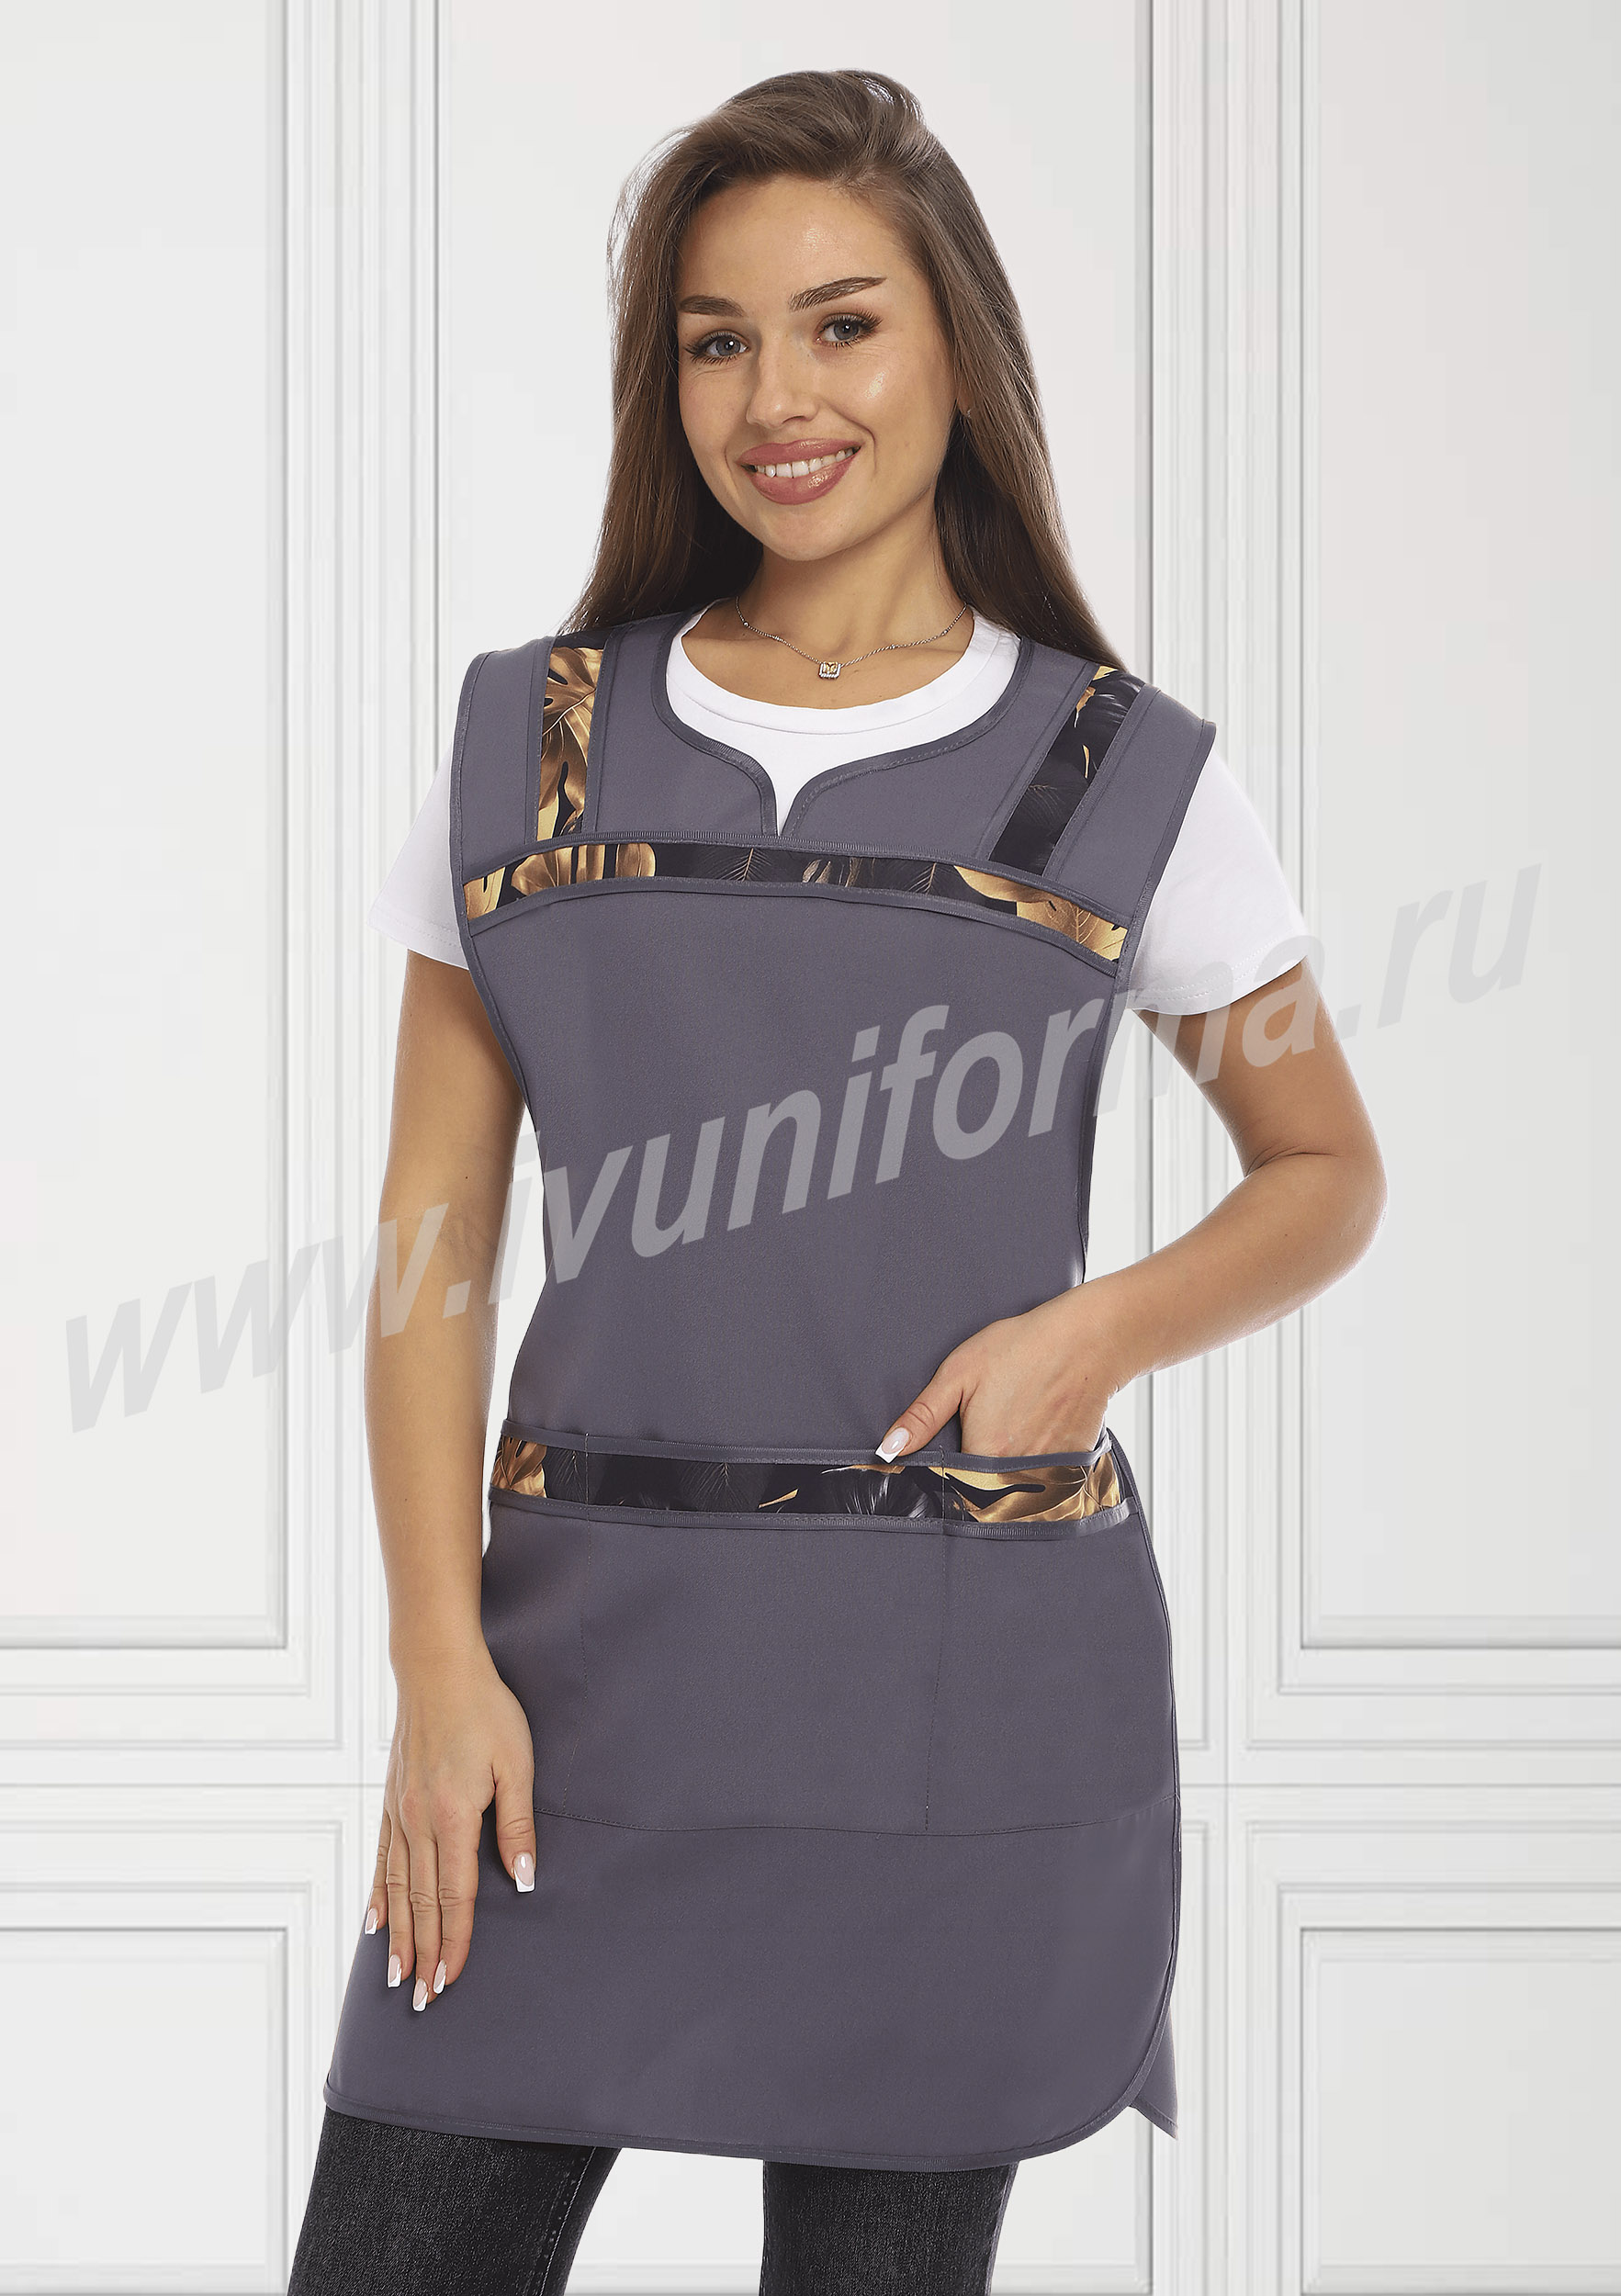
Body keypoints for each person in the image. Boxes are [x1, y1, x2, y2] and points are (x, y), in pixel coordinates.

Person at [289, 67, 1386, 2296]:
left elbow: (1321, 1167)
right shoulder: (525, 742)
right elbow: (429, 1249)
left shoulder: (1124, 776)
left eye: (841, 325)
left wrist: (1090, 1336)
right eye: (717, 338)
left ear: (954, 347)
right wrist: (435, 1661)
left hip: (954, 1704)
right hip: (566, 1701)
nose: (776, 397)